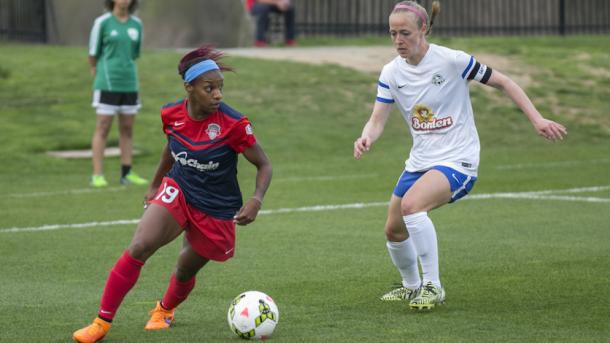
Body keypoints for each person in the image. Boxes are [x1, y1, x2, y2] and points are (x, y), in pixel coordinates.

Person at [353, 1, 566, 310]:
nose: (398, 40)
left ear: (423, 29)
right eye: (393, 33)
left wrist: (538, 119)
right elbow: (376, 119)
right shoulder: (390, 72)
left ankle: (433, 286)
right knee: (393, 228)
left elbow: (504, 82)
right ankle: (411, 286)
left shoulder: (452, 61)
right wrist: (365, 138)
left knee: (413, 207)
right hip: (421, 160)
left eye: (405, 33)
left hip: (458, 159)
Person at [72, 45, 273, 342]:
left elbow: (264, 164)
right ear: (189, 88)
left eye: (220, 88)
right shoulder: (171, 114)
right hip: (179, 188)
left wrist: (256, 199)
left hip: (217, 208)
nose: (218, 94)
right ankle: (100, 323)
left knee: (183, 269)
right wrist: (156, 183)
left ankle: (165, 309)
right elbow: (172, 145)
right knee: (140, 245)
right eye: (209, 88)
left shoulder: (234, 124)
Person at [88, 0, 148, 187]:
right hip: (107, 83)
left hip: (130, 83)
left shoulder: (137, 24)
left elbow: (135, 53)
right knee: (103, 127)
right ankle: (97, 175)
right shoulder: (102, 22)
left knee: (127, 128)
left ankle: (127, 173)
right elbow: (93, 53)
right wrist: (95, 70)